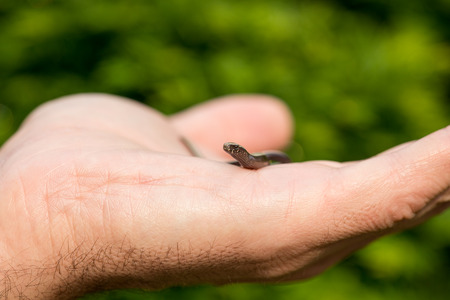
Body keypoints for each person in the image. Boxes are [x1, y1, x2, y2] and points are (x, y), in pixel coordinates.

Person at [0, 93, 448, 299]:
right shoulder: (235, 161)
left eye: (235, 151)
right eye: (232, 152)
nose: (231, 154)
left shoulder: (253, 160)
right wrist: (36, 227)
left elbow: (255, 160)